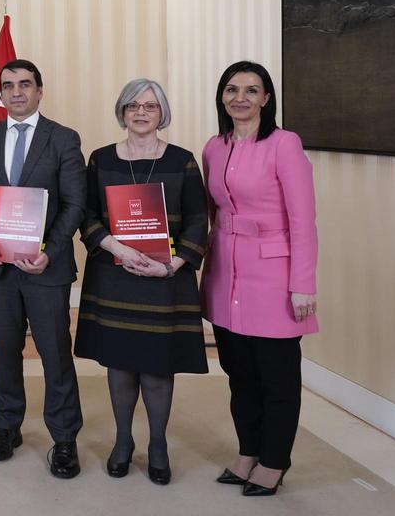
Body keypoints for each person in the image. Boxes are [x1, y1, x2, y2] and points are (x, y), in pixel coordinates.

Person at [74, 79, 209, 485]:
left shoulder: (183, 161)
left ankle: (158, 444)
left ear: (162, 112)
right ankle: (122, 441)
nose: (141, 112)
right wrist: (117, 248)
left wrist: (171, 264)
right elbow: (87, 215)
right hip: (114, 274)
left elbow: (200, 220)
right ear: (121, 112)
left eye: (150, 106)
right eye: (132, 105)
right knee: (119, 364)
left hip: (165, 279)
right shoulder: (100, 159)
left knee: (155, 367)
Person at [201, 60, 319, 497]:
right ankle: (248, 451)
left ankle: (274, 461)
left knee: (277, 377)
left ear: (267, 98)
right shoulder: (213, 147)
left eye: (252, 90)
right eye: (232, 90)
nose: (241, 98)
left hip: (274, 273)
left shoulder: (285, 145)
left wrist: (303, 282)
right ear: (222, 98)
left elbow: (304, 220)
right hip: (225, 272)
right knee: (239, 373)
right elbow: (209, 213)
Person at [0, 58, 85, 477]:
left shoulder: (64, 139)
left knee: (55, 354)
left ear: (39, 91)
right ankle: (7, 427)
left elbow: (75, 204)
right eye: (9, 85)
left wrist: (50, 250)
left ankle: (65, 438)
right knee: (4, 354)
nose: (17, 92)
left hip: (45, 269)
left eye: (26, 84)